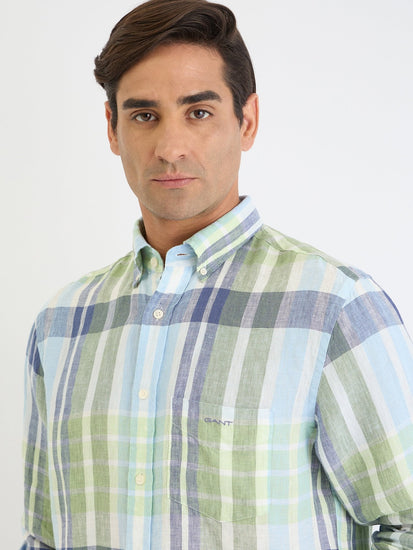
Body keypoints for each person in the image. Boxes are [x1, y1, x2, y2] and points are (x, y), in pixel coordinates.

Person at [21, 0, 413, 548]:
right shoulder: (61, 324)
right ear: (112, 129)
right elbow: (43, 536)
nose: (170, 148)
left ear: (246, 121)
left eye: (199, 112)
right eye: (144, 115)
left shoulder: (335, 308)